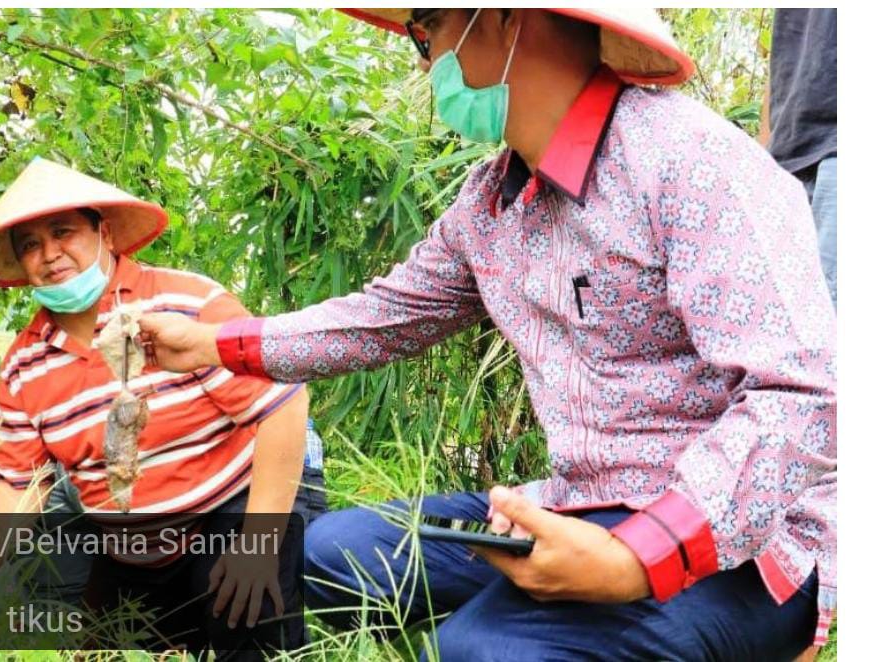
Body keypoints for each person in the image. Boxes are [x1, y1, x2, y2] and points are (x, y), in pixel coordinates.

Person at [138, 8, 836, 660]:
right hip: (578, 503)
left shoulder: (688, 160)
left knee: (482, 649)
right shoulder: (489, 204)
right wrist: (214, 344)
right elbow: (384, 316)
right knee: (331, 552)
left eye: (426, 30)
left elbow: (804, 397)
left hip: (740, 538)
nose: (422, 63)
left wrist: (638, 556)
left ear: (503, 17)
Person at [0, 158, 317, 656]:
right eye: (30, 244)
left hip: (234, 510)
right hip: (133, 549)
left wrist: (258, 546)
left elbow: (282, 407)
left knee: (243, 616)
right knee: (104, 644)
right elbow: (18, 486)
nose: (50, 254)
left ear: (106, 235)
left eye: (63, 232)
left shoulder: (185, 303)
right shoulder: (23, 365)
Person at [760, 8, 837, 308]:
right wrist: (762, 161)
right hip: (787, 156)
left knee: (828, 327)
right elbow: (784, 53)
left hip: (839, 151)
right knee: (782, 321)